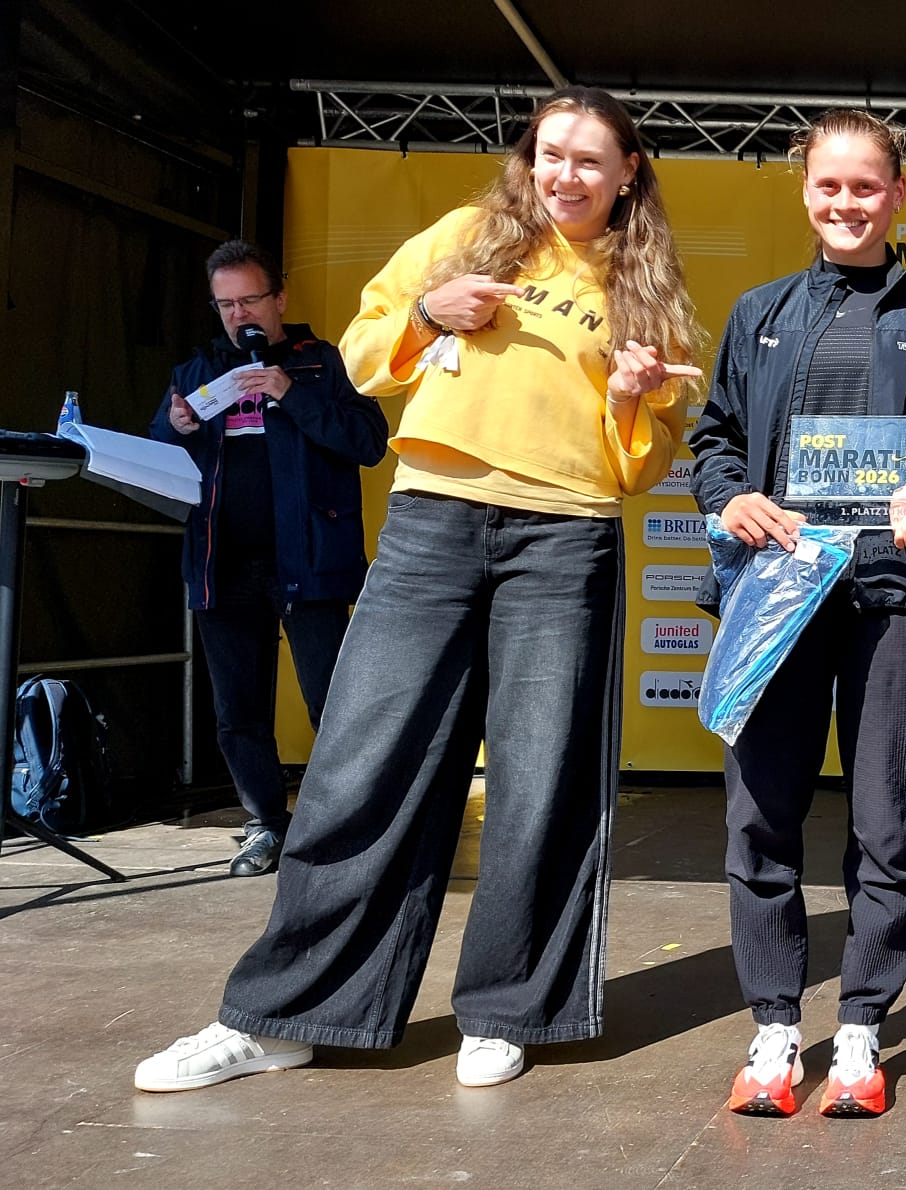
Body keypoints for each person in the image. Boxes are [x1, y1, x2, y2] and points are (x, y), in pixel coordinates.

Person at [135, 85, 703, 1093]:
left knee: (540, 779)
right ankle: (285, 1014)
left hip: (562, 536)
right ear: (528, 159)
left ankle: (508, 1009)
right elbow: (362, 360)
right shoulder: (465, 233)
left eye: (589, 159)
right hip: (433, 519)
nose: (565, 175)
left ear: (627, 174)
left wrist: (629, 399)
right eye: (550, 153)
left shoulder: (644, 288)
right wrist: (428, 312)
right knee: (358, 763)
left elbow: (642, 463)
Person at [690, 109, 906, 1118]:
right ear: (805, 190)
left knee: (890, 818)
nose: (846, 202)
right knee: (760, 815)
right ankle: (775, 1027)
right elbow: (715, 438)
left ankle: (860, 1027)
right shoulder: (760, 311)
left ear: (896, 194)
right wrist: (728, 496)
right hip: (775, 593)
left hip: (891, 595)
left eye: (866, 186)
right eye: (829, 185)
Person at [150, 240, 388, 877]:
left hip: (308, 560)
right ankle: (264, 825)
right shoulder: (195, 372)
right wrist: (175, 428)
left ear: (279, 298)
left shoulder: (323, 363)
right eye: (225, 304)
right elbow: (154, 461)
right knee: (239, 713)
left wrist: (289, 392)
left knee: (333, 704)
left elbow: (369, 442)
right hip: (220, 563)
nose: (239, 314)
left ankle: (346, 829)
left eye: (250, 300)